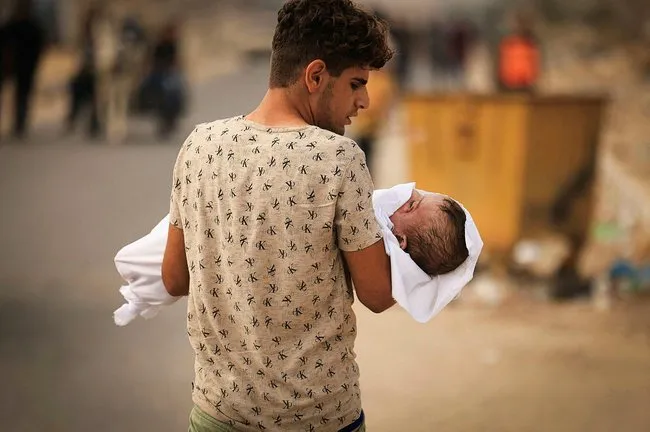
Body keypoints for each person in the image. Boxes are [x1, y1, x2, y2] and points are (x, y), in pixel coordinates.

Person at [161, 1, 395, 430]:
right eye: (357, 84)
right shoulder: (339, 158)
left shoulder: (199, 145)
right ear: (315, 76)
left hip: (218, 415)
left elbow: (175, 279)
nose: (364, 101)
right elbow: (378, 295)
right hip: (318, 420)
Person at [113, 182, 483, 326]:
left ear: (400, 242)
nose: (406, 193)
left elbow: (175, 278)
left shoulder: (357, 229)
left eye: (413, 204)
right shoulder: (377, 274)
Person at [0, 0, 46, 139]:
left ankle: (20, 124)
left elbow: (40, 47)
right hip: (11, 66)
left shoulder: (31, 26)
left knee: (23, 96)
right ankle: (19, 124)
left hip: (24, 67)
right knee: (21, 95)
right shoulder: (13, 25)